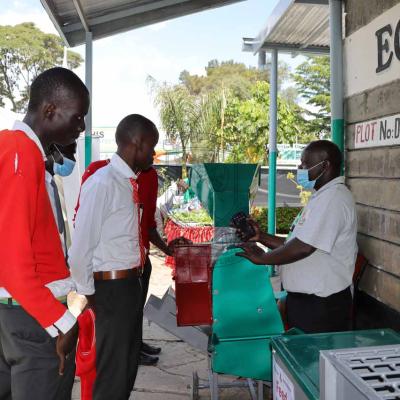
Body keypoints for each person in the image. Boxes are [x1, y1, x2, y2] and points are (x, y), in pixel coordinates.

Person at [0, 67, 89, 399]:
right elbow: (10, 258)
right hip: (31, 316)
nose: (81, 128)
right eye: (77, 117)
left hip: (16, 313)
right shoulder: (20, 152)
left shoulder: (17, 150)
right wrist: (62, 321)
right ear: (50, 110)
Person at [69, 114, 159, 399]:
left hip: (129, 285)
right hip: (110, 289)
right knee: (111, 372)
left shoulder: (127, 182)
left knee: (127, 366)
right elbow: (81, 248)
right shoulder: (103, 182)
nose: (153, 155)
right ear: (137, 143)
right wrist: (89, 294)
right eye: (151, 147)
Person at [237, 140, 357, 334]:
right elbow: (293, 243)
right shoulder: (321, 197)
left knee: (314, 361)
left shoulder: (333, 198)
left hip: (321, 306)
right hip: (306, 302)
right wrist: (261, 237)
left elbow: (303, 248)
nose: (299, 168)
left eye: (305, 164)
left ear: (325, 166)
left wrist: (263, 259)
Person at [45, 142, 77, 257]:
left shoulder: (51, 182)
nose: (73, 160)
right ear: (53, 152)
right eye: (69, 154)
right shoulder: (37, 183)